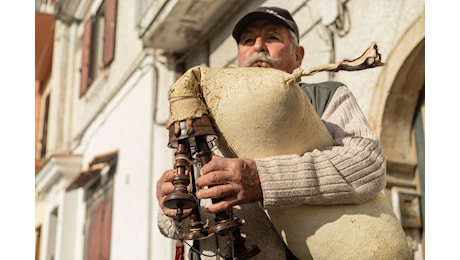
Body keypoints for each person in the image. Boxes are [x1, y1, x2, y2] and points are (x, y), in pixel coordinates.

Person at [156, 6, 386, 260]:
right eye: (248, 40)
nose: (258, 46)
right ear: (239, 58)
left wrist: (262, 179)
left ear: (298, 56)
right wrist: (173, 207)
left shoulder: (327, 95)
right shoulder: (207, 116)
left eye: (273, 37)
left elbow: (368, 164)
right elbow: (180, 224)